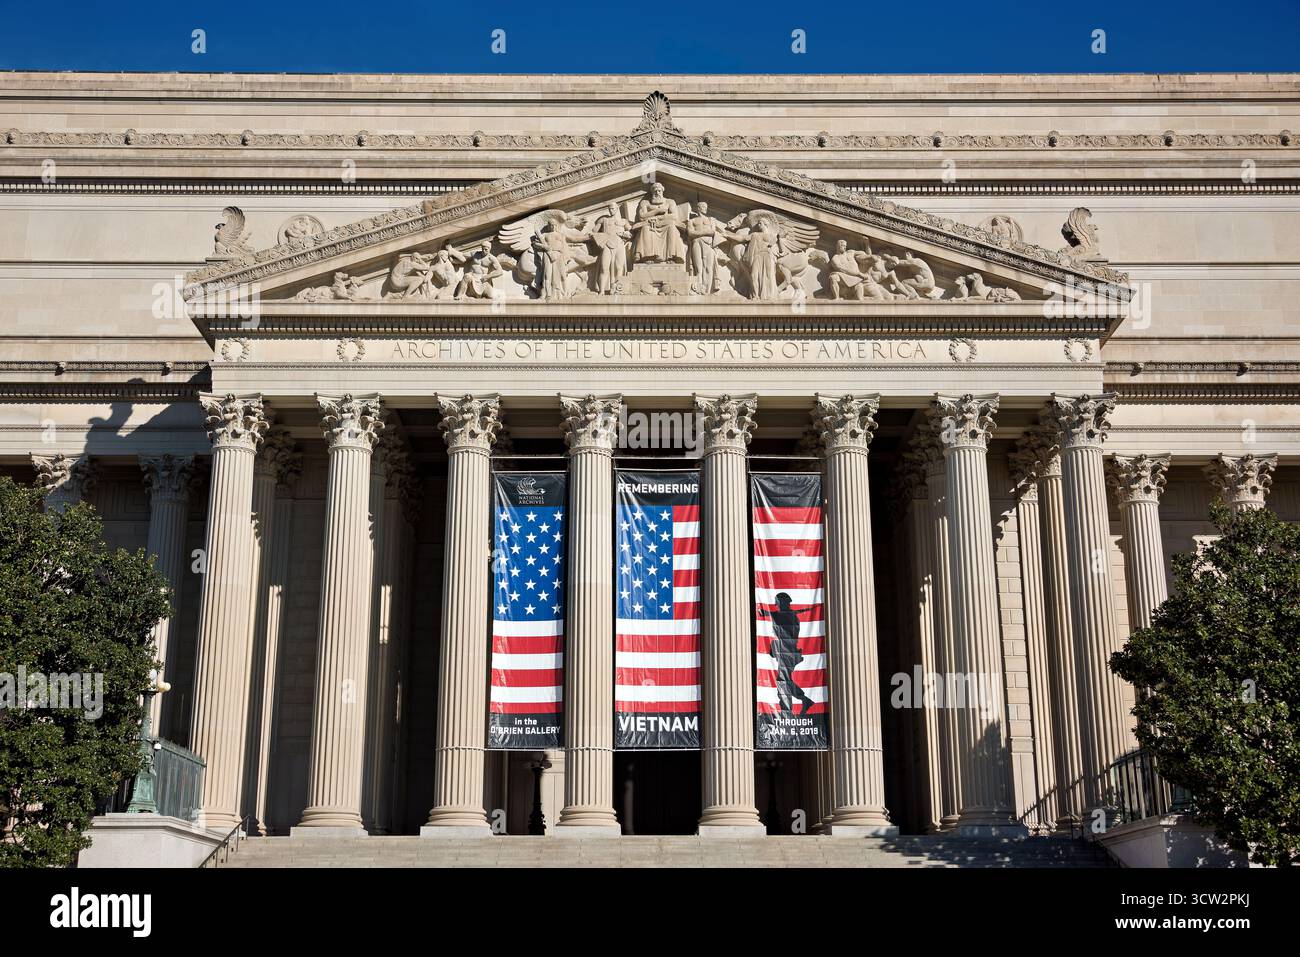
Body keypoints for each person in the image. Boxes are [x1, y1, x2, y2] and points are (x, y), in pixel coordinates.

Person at [759, 592, 816, 716]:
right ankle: (801, 702)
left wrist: (765, 611)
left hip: (787, 653)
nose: (776, 605)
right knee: (784, 680)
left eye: (778, 603)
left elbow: (770, 615)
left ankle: (790, 708)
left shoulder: (786, 617)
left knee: (783, 681)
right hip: (785, 653)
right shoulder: (790, 616)